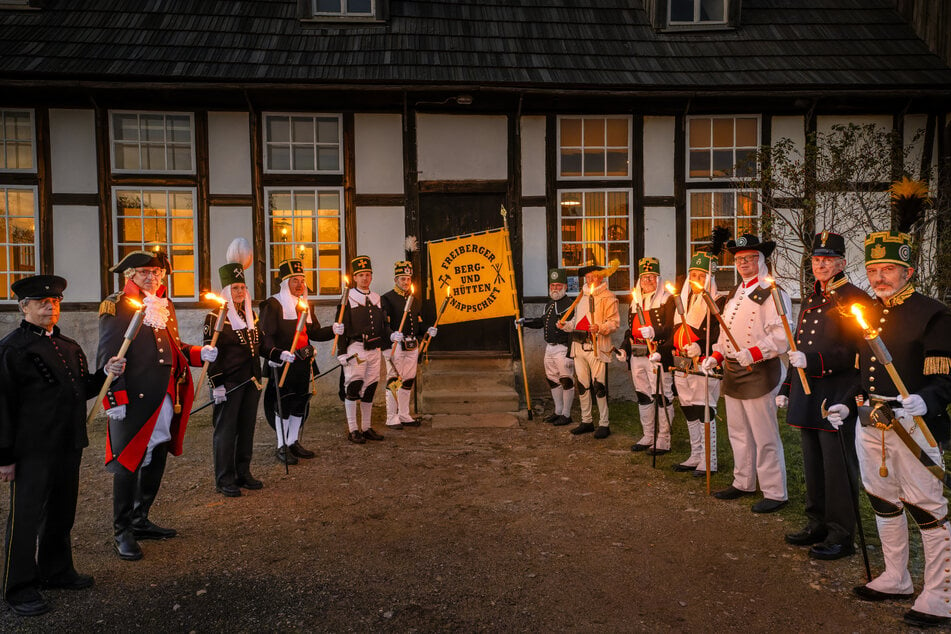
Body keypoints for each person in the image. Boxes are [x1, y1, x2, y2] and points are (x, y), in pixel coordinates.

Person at [825, 228, 951, 628]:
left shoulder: (932, 313)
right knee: (883, 501)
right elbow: (863, 378)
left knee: (927, 508)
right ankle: (896, 577)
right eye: (874, 268)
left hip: (915, 428)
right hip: (872, 424)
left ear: (908, 271)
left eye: (889, 269)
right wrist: (845, 405)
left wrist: (926, 400)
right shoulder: (868, 312)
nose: (880, 276)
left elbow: (945, 379)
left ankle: (940, 594)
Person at [0, 276, 125, 616]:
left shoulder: (69, 346)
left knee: (61, 512)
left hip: (68, 443)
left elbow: (82, 389)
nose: (50, 306)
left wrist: (106, 373)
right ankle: (19, 587)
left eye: (54, 301)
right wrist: (5, 457)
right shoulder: (12, 349)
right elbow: (3, 407)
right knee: (25, 519)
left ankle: (56, 570)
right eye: (41, 302)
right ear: (23, 307)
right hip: (31, 449)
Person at [97, 251, 217, 561]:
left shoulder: (164, 305)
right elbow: (108, 357)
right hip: (134, 399)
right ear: (131, 275)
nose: (152, 277)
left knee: (157, 454)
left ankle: (140, 518)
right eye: (146, 272)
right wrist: (115, 399)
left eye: (157, 272)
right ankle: (121, 530)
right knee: (128, 461)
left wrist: (198, 353)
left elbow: (172, 348)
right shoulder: (116, 305)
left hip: (166, 396)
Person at [777, 232, 867, 560]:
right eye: (817, 259)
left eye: (828, 259)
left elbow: (857, 353)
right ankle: (817, 522)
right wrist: (788, 387)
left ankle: (841, 534)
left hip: (836, 394)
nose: (821, 264)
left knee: (838, 467)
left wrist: (813, 362)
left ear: (842, 262)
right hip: (808, 394)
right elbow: (800, 343)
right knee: (813, 464)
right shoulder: (815, 297)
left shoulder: (854, 298)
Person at [700, 234, 790, 513]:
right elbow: (725, 333)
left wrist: (754, 352)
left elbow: (783, 337)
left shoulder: (773, 292)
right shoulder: (735, 293)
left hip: (760, 371)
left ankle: (775, 492)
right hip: (733, 371)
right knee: (738, 431)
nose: (744, 264)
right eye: (739, 259)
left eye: (750, 258)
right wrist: (716, 354)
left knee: (764, 435)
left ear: (761, 260)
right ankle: (743, 481)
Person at [259, 258, 333, 464]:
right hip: (283, 363)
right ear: (285, 283)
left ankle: (293, 441)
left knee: (300, 402)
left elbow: (314, 332)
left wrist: (334, 330)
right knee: (283, 403)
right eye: (295, 280)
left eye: (302, 280)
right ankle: (281, 445)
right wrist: (275, 354)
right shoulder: (273, 304)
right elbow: (265, 336)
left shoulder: (305, 304)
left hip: (303, 362)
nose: (300, 284)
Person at [204, 261, 263, 497]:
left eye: (242, 287)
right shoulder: (215, 317)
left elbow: (259, 345)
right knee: (226, 431)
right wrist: (216, 383)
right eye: (235, 288)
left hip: (250, 381)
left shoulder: (251, 316)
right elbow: (211, 353)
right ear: (226, 291)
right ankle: (224, 478)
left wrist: (280, 355)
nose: (240, 292)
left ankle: (243, 472)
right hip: (228, 384)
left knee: (246, 429)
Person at [669, 248, 724, 476]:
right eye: (693, 276)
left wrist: (702, 346)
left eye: (701, 276)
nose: (696, 281)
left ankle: (709, 459)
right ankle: (695, 454)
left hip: (703, 364)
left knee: (703, 409)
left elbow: (720, 333)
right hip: (682, 364)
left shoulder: (719, 301)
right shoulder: (684, 300)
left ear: (709, 278)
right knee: (689, 409)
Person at [333, 255, 393, 444]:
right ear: (355, 278)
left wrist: (389, 342)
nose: (365, 278)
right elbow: (340, 326)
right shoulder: (347, 298)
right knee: (353, 387)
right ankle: (353, 429)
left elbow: (383, 325)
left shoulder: (377, 298)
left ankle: (366, 427)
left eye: (368, 274)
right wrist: (342, 352)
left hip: (374, 349)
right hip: (356, 348)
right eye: (361, 275)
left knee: (370, 388)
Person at [619, 257, 675, 454]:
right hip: (637, 355)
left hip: (657, 355)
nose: (648, 281)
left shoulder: (667, 300)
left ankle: (664, 439)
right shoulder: (635, 302)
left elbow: (670, 328)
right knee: (643, 395)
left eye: (652, 277)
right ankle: (648, 434)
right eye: (645, 278)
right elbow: (630, 331)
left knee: (661, 395)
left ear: (658, 279)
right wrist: (624, 348)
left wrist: (654, 332)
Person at [558, 260, 619, 439]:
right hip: (578, 346)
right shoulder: (581, 296)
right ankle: (586, 420)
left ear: (601, 277)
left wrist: (599, 327)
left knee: (599, 386)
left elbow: (614, 322)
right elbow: (577, 321)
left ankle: (604, 423)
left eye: (594, 275)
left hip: (597, 347)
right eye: (588, 276)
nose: (591, 279)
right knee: (583, 385)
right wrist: (565, 325)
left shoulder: (609, 297)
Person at [380, 260, 437, 430]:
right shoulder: (387, 299)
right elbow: (383, 324)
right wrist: (391, 335)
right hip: (395, 346)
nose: (406, 282)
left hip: (411, 346)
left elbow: (418, 324)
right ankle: (391, 417)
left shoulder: (415, 300)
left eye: (408, 279)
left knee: (408, 381)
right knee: (394, 380)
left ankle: (404, 414)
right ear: (396, 279)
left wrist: (428, 329)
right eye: (402, 279)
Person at [517, 268, 576, 426]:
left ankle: (566, 414)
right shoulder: (549, 304)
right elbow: (542, 322)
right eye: (552, 285)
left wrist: (571, 352)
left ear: (565, 286)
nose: (555, 288)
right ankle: (558, 411)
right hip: (549, 348)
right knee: (552, 379)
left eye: (558, 285)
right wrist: (525, 321)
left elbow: (573, 329)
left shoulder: (570, 305)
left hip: (563, 348)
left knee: (566, 380)